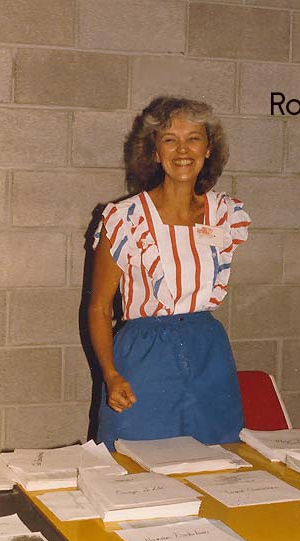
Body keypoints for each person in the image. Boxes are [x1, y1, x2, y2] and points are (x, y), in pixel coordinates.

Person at [88, 96, 250, 451]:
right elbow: (99, 309)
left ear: (208, 149)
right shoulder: (124, 218)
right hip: (143, 357)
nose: (183, 149)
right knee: (135, 464)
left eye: (194, 137)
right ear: (155, 152)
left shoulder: (225, 214)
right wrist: (111, 375)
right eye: (170, 139)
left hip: (208, 350)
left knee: (216, 461)